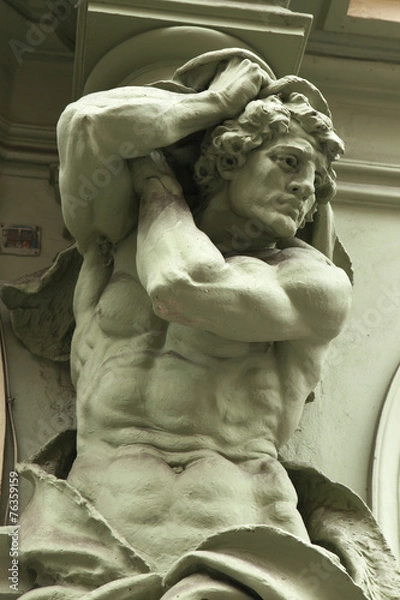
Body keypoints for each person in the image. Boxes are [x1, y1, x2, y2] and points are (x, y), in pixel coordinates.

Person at [12, 51, 398, 600]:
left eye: (315, 180)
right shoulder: (117, 242)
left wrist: (155, 184)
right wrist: (213, 103)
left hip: (234, 554)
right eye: (289, 162)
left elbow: (181, 287)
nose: (305, 188)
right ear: (229, 157)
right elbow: (87, 123)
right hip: (85, 545)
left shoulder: (313, 284)